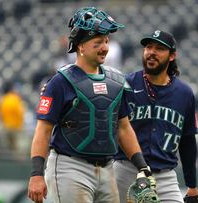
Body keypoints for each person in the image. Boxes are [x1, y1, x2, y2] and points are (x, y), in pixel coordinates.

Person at [27, 7, 153, 203]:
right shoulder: (60, 82)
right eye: (98, 43)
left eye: (106, 41)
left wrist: (142, 166)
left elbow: (123, 128)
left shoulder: (116, 81)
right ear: (81, 46)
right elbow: (43, 130)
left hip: (107, 169)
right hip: (70, 168)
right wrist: (36, 174)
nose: (105, 47)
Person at [114, 30, 198, 203]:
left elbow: (187, 141)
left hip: (164, 177)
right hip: (125, 170)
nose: (152, 52)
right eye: (148, 47)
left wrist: (192, 186)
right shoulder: (125, 85)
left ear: (172, 56)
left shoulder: (184, 94)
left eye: (159, 48)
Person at [0, 82, 25, 153]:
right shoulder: (16, 99)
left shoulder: (4, 99)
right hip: (16, 128)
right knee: (15, 150)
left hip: (6, 127)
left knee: (8, 149)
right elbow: (20, 113)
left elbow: (0, 114)